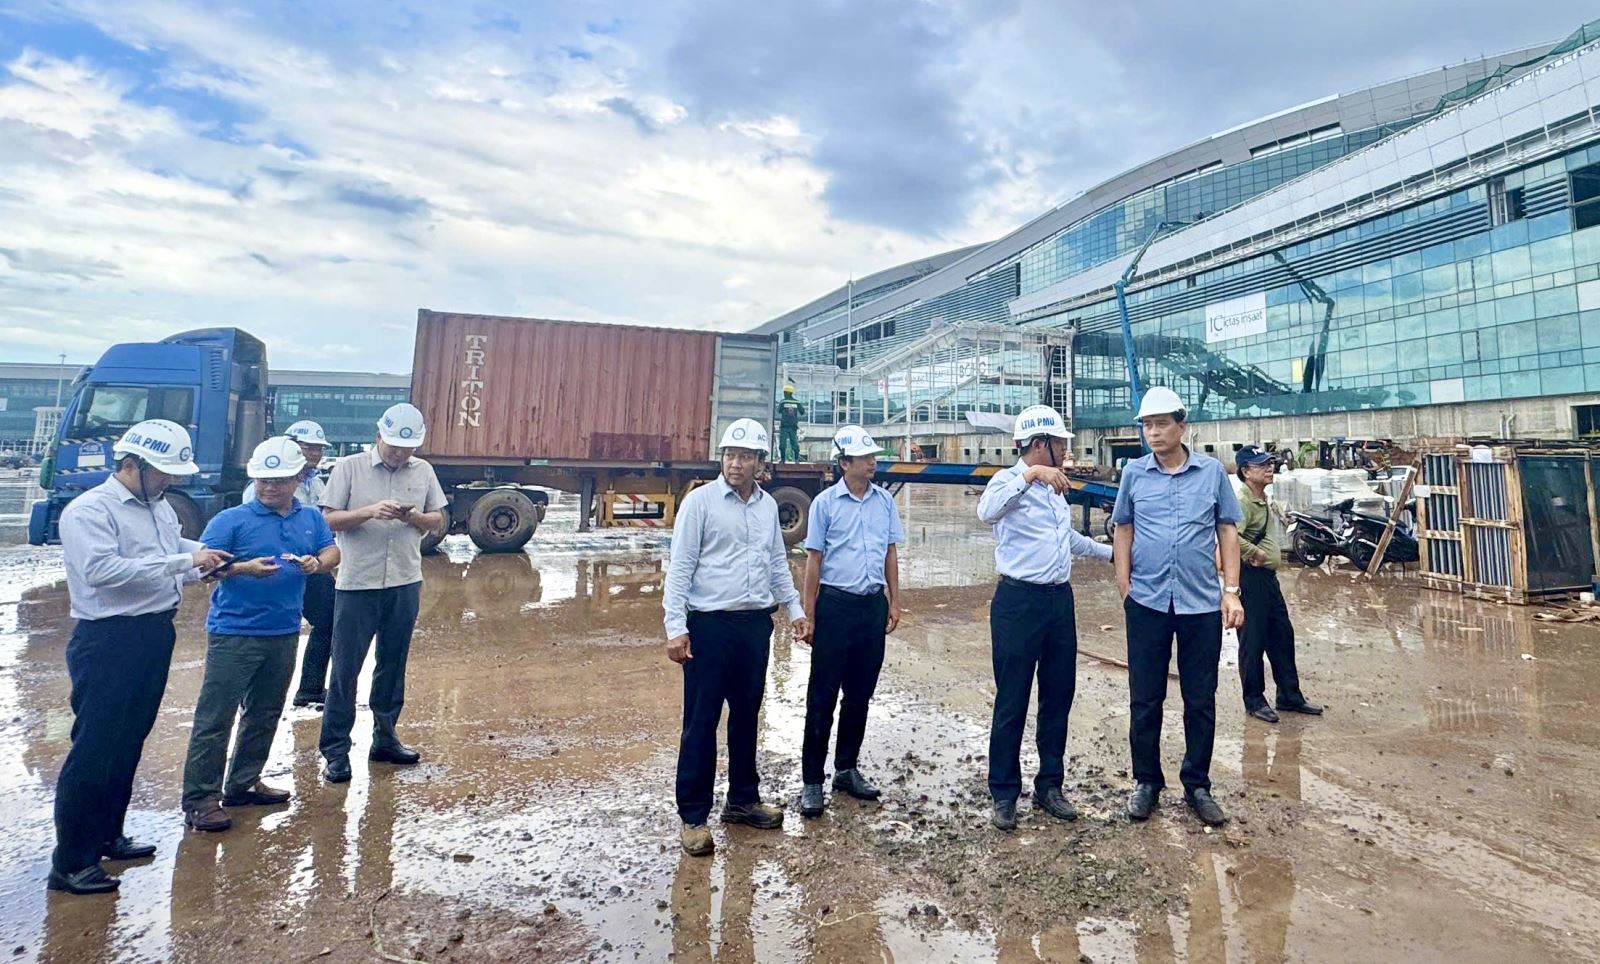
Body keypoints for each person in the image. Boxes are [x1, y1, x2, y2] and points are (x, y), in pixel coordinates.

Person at [50, 419, 231, 894]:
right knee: (96, 747)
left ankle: (108, 835)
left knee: (129, 740)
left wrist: (206, 557)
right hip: (108, 640)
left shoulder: (160, 506)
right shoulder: (90, 511)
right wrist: (186, 561)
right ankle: (71, 862)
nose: (170, 480)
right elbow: (103, 570)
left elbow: (168, 554)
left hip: (153, 633)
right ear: (132, 464)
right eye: (163, 471)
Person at [664, 418, 808, 857]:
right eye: (730, 455)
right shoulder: (700, 503)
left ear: (760, 462)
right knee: (701, 721)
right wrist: (675, 627)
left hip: (754, 627)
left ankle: (743, 800)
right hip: (709, 627)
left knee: (747, 717)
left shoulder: (766, 507)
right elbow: (680, 566)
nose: (736, 463)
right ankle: (693, 817)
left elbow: (777, 562)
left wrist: (796, 610)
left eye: (746, 457)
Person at [181, 437, 341, 831]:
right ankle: (201, 798)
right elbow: (202, 569)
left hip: (283, 631)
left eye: (279, 480)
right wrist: (242, 568)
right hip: (234, 633)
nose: (269, 487)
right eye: (263, 480)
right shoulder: (230, 521)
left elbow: (332, 551)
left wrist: (317, 564)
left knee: (265, 712)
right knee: (216, 717)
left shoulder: (310, 518)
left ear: (297, 478)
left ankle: (243, 783)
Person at [1112, 387, 1244, 828]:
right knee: (1145, 697)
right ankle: (1146, 781)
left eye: (1161, 424)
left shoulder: (1212, 473)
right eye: (1147, 425)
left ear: (1181, 426)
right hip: (1147, 601)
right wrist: (1124, 585)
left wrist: (1231, 590)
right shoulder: (1134, 474)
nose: (1153, 432)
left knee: (1200, 698)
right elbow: (1123, 528)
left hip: (1200, 603)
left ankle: (1197, 785)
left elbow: (1227, 531)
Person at [977, 404, 1112, 832]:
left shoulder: (1056, 488)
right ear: (1040, 445)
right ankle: (1004, 792)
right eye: (1059, 444)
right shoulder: (1007, 481)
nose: (1065, 452)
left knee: (1057, 696)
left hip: (1058, 603)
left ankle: (1050, 785)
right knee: (1012, 698)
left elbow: (1065, 537)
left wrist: (1111, 554)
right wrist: (1031, 475)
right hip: (1018, 603)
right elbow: (986, 512)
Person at [317, 403, 447, 784]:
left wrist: (413, 517)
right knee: (345, 669)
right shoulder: (349, 468)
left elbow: (437, 519)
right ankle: (336, 751)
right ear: (377, 437)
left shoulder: (423, 471)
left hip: (404, 581)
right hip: (357, 584)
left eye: (407, 449)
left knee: (393, 663)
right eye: (393, 447)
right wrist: (369, 511)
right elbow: (327, 519)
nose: (399, 454)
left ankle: (385, 738)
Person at [797, 425, 903, 818]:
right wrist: (809, 613)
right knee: (822, 696)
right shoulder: (825, 504)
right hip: (836, 607)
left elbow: (890, 552)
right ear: (845, 463)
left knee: (860, 694)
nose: (873, 462)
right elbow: (814, 560)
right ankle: (812, 780)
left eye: (873, 456)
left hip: (871, 607)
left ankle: (846, 769)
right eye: (865, 457)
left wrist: (894, 601)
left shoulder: (884, 502)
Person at [244, 419, 336, 708]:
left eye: (318, 449)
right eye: (308, 447)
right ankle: (252, 698)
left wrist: (320, 560)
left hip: (310, 567)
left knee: (331, 620)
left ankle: (310, 688)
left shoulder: (316, 482)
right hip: (275, 568)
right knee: (270, 628)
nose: (314, 454)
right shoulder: (261, 487)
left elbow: (325, 533)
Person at [1233, 444, 1321, 724]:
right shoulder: (1243, 501)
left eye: (1270, 463)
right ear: (1246, 472)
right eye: (1261, 465)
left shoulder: (1261, 498)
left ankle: (1289, 695)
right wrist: (1254, 552)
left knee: (1282, 636)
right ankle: (1254, 700)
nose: (1270, 468)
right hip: (1251, 579)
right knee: (1253, 640)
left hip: (1268, 580)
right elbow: (1229, 536)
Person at [776, 385, 805, 463]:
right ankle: (796, 459)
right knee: (794, 444)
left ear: (786, 393)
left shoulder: (783, 402)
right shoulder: (797, 402)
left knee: (782, 444)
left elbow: (778, 411)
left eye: (785, 392)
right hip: (793, 426)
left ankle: (782, 460)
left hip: (784, 426)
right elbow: (802, 412)